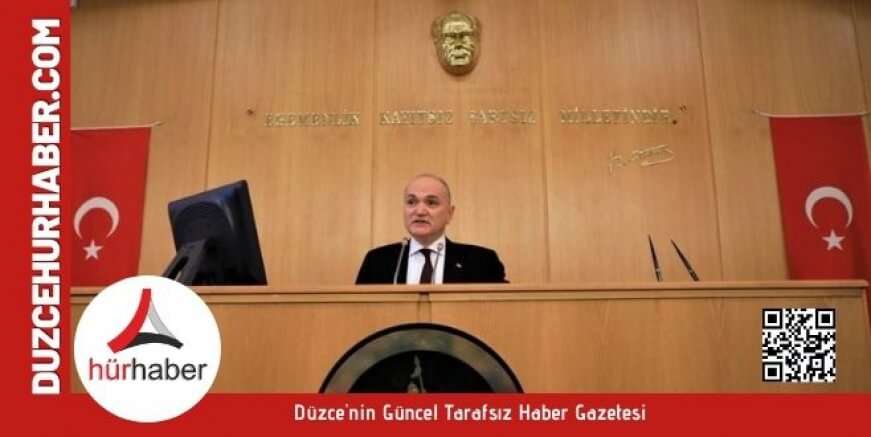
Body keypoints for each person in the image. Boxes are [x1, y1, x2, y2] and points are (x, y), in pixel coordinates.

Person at [356, 174, 507, 284]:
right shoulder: (377, 261)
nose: (420, 211)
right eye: (411, 202)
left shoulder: (482, 262)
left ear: (449, 213)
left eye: (431, 203)